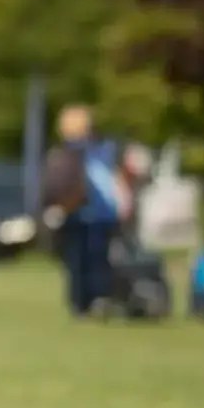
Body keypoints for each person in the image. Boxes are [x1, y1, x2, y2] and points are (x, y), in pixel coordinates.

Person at [40, 105, 128, 319]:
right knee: (99, 259)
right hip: (103, 214)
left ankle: (81, 304)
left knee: (77, 262)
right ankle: (100, 298)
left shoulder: (66, 152)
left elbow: (54, 184)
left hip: (77, 212)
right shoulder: (102, 150)